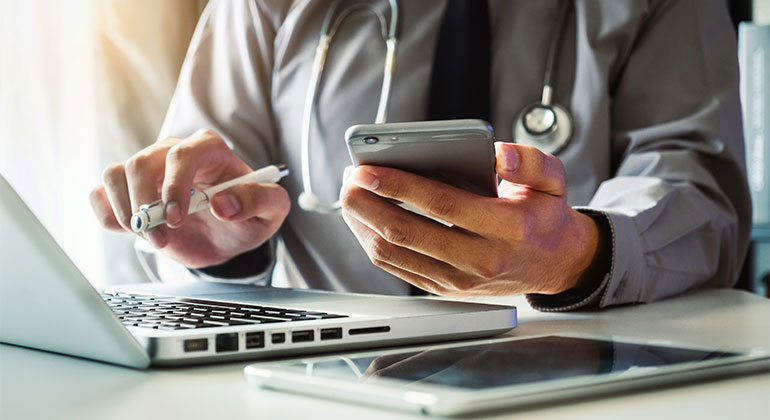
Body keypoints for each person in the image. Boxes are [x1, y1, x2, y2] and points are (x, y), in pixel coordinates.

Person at [89, 0, 751, 311]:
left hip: (577, 377)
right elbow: (200, 192)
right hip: (327, 391)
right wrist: (221, 240)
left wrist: (581, 254)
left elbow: (701, 199)